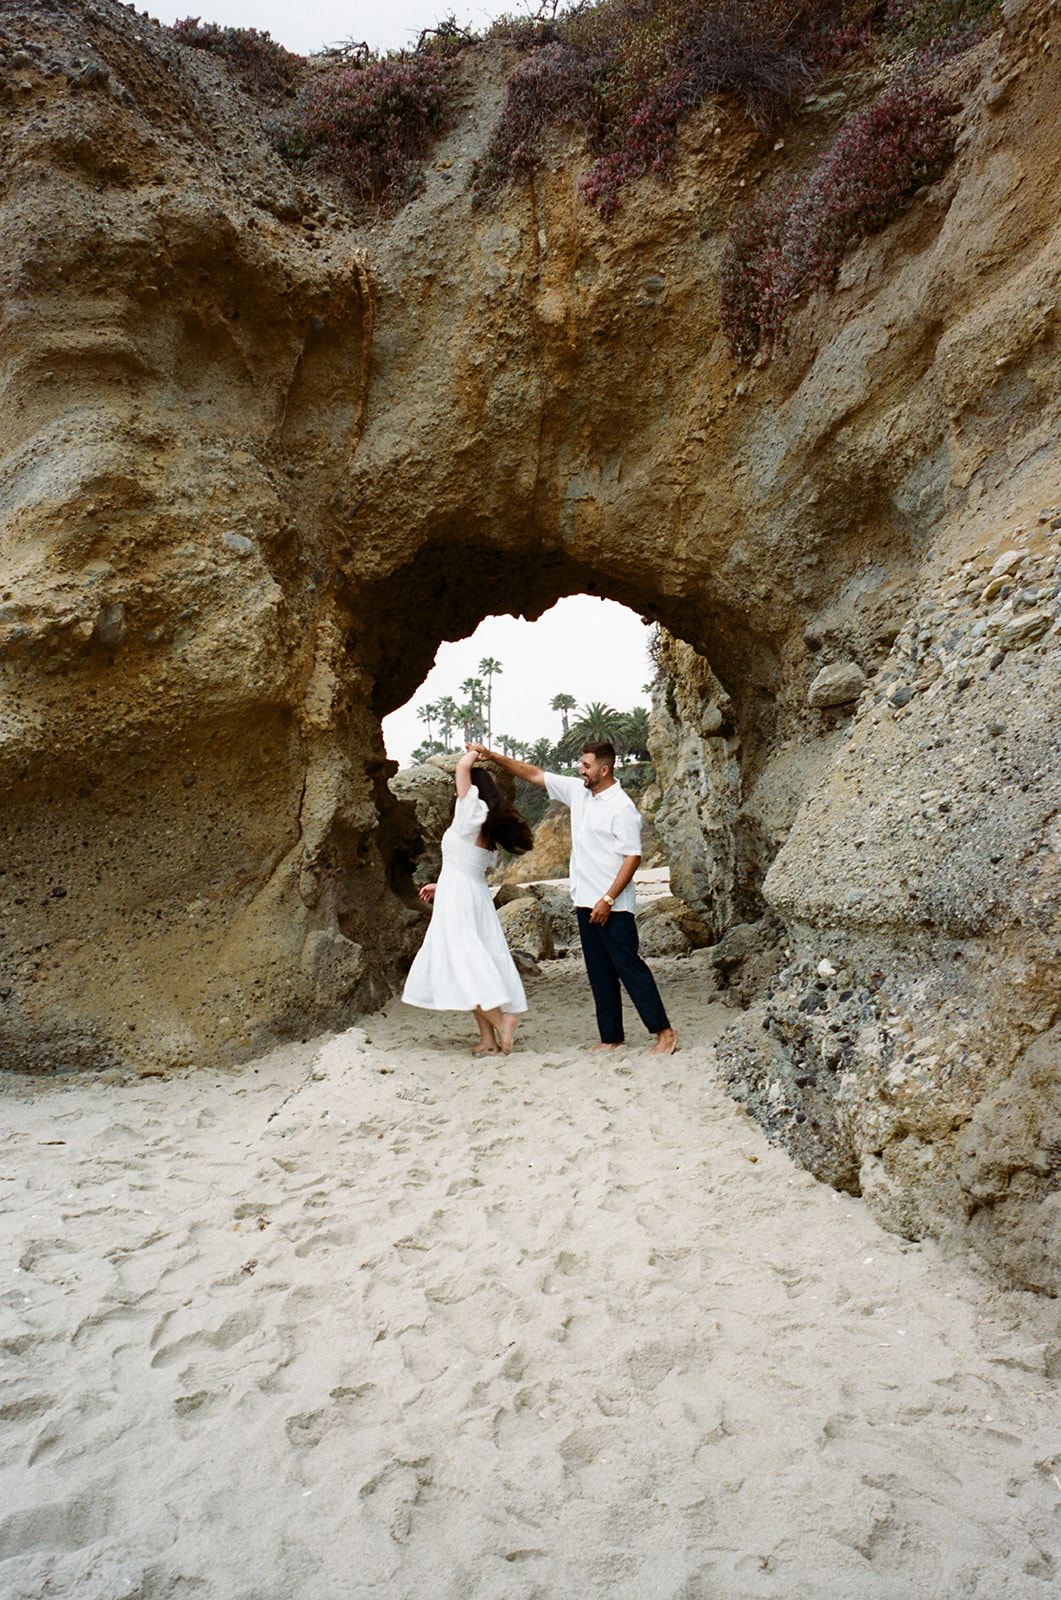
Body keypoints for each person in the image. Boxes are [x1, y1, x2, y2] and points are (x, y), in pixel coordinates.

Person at [469, 740, 677, 1055]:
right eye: (581, 764)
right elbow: (534, 775)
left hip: (613, 906)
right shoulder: (579, 791)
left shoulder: (621, 807)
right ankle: (611, 1038)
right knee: (599, 973)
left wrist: (607, 900)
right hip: (584, 902)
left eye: (586, 765)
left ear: (604, 769)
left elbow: (632, 858)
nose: (581, 770)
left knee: (630, 969)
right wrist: (492, 756)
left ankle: (665, 1033)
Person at [402, 747, 534, 1055]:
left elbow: (462, 768)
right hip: (472, 896)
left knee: (461, 966)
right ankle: (487, 1041)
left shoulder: (468, 811)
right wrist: (440, 885)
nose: (455, 792)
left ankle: (502, 1021)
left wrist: (475, 754)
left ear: (472, 791)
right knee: (473, 964)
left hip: (460, 900)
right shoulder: (485, 827)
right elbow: (465, 867)